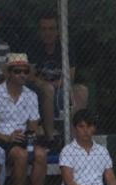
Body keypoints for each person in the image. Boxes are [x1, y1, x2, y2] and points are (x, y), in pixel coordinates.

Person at [0, 53, 48, 185]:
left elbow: (34, 124)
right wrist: (7, 137)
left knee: (41, 154)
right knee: (20, 155)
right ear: (8, 73)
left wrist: (29, 134)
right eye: (17, 71)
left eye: (25, 71)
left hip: (22, 137)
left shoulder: (31, 95)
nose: (22, 75)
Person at [27, 12, 89, 143]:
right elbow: (31, 76)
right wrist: (47, 85)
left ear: (58, 31)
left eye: (51, 29)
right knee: (48, 89)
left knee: (82, 91)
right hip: (39, 92)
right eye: (44, 29)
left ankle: (74, 140)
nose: (47, 33)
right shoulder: (33, 47)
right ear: (39, 31)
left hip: (61, 90)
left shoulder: (66, 47)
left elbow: (70, 77)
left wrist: (54, 84)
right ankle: (51, 139)